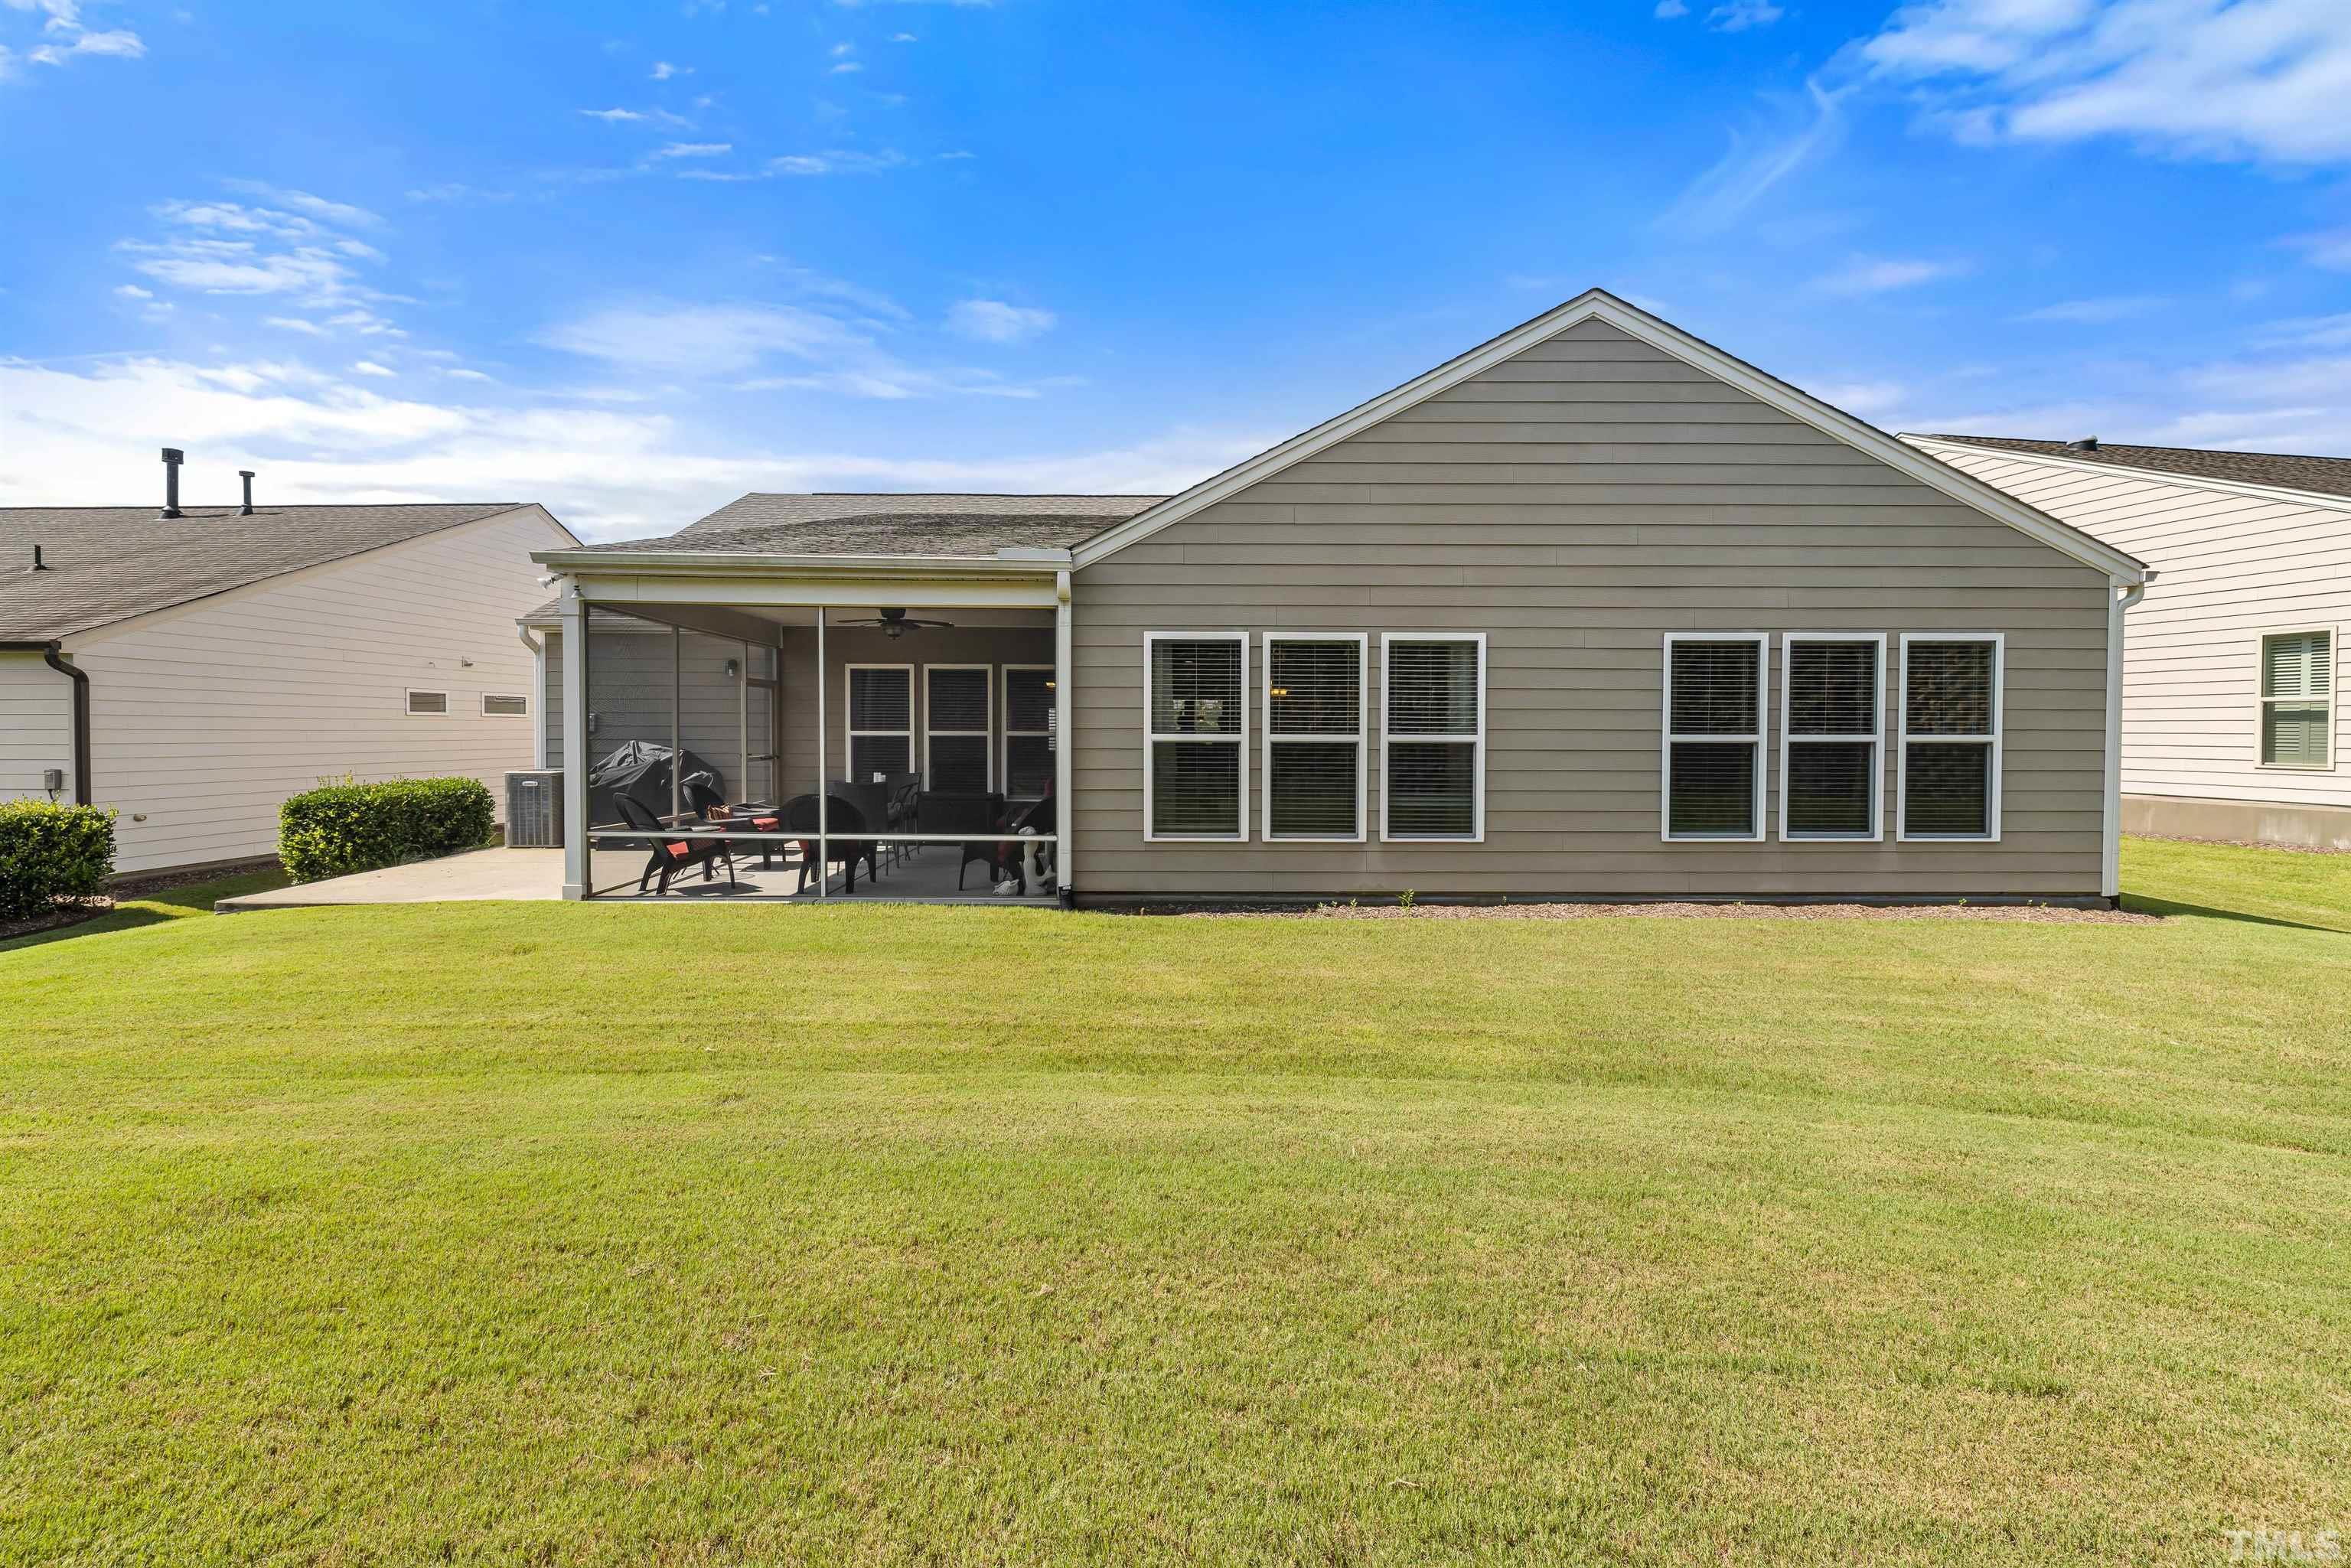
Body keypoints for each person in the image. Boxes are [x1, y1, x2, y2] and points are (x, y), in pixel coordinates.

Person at [993, 782, 1055, 897]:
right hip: (1016, 839)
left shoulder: (1043, 809)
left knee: (1029, 857)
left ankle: (1029, 885)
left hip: (1017, 841)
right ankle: (1028, 885)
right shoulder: (1044, 809)